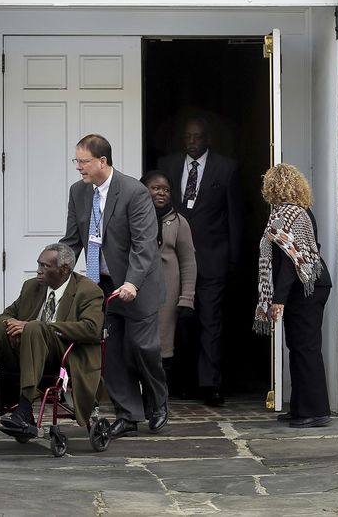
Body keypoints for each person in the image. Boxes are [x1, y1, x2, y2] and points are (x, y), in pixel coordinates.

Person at [61, 134, 168, 439]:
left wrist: (132, 282)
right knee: (109, 353)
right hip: (102, 284)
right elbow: (72, 239)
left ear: (102, 162)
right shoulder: (78, 193)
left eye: (83, 161)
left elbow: (144, 245)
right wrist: (54, 269)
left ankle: (158, 401)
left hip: (139, 284)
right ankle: (129, 415)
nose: (78, 167)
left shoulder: (133, 192)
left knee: (141, 348)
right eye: (77, 161)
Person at [0, 244, 104, 435]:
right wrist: (13, 327)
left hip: (62, 357)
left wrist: (36, 328)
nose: (38, 270)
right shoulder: (32, 286)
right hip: (25, 352)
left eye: (45, 266)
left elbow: (92, 329)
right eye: (39, 264)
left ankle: (24, 410)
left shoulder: (88, 290)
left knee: (35, 327)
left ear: (64, 270)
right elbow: (5, 316)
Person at [158, 117, 242, 406]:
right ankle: (181, 382)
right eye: (188, 137)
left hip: (211, 260)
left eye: (198, 137)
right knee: (178, 322)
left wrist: (233, 259)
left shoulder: (226, 168)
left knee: (210, 322)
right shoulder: (167, 165)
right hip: (173, 260)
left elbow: (234, 217)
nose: (193, 142)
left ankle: (210, 385)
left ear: (208, 139)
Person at [254, 163, 332, 428]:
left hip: (305, 289)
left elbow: (290, 262)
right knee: (299, 347)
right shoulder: (301, 212)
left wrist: (279, 299)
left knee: (306, 348)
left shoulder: (287, 214)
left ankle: (316, 411)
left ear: (273, 186)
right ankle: (301, 407)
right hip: (310, 286)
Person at [140, 170, 197, 389]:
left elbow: (189, 262)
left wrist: (187, 298)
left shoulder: (179, 222)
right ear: (143, 190)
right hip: (138, 292)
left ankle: (159, 396)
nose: (161, 193)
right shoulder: (134, 219)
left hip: (168, 296)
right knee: (138, 344)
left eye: (166, 190)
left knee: (163, 346)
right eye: (155, 188)